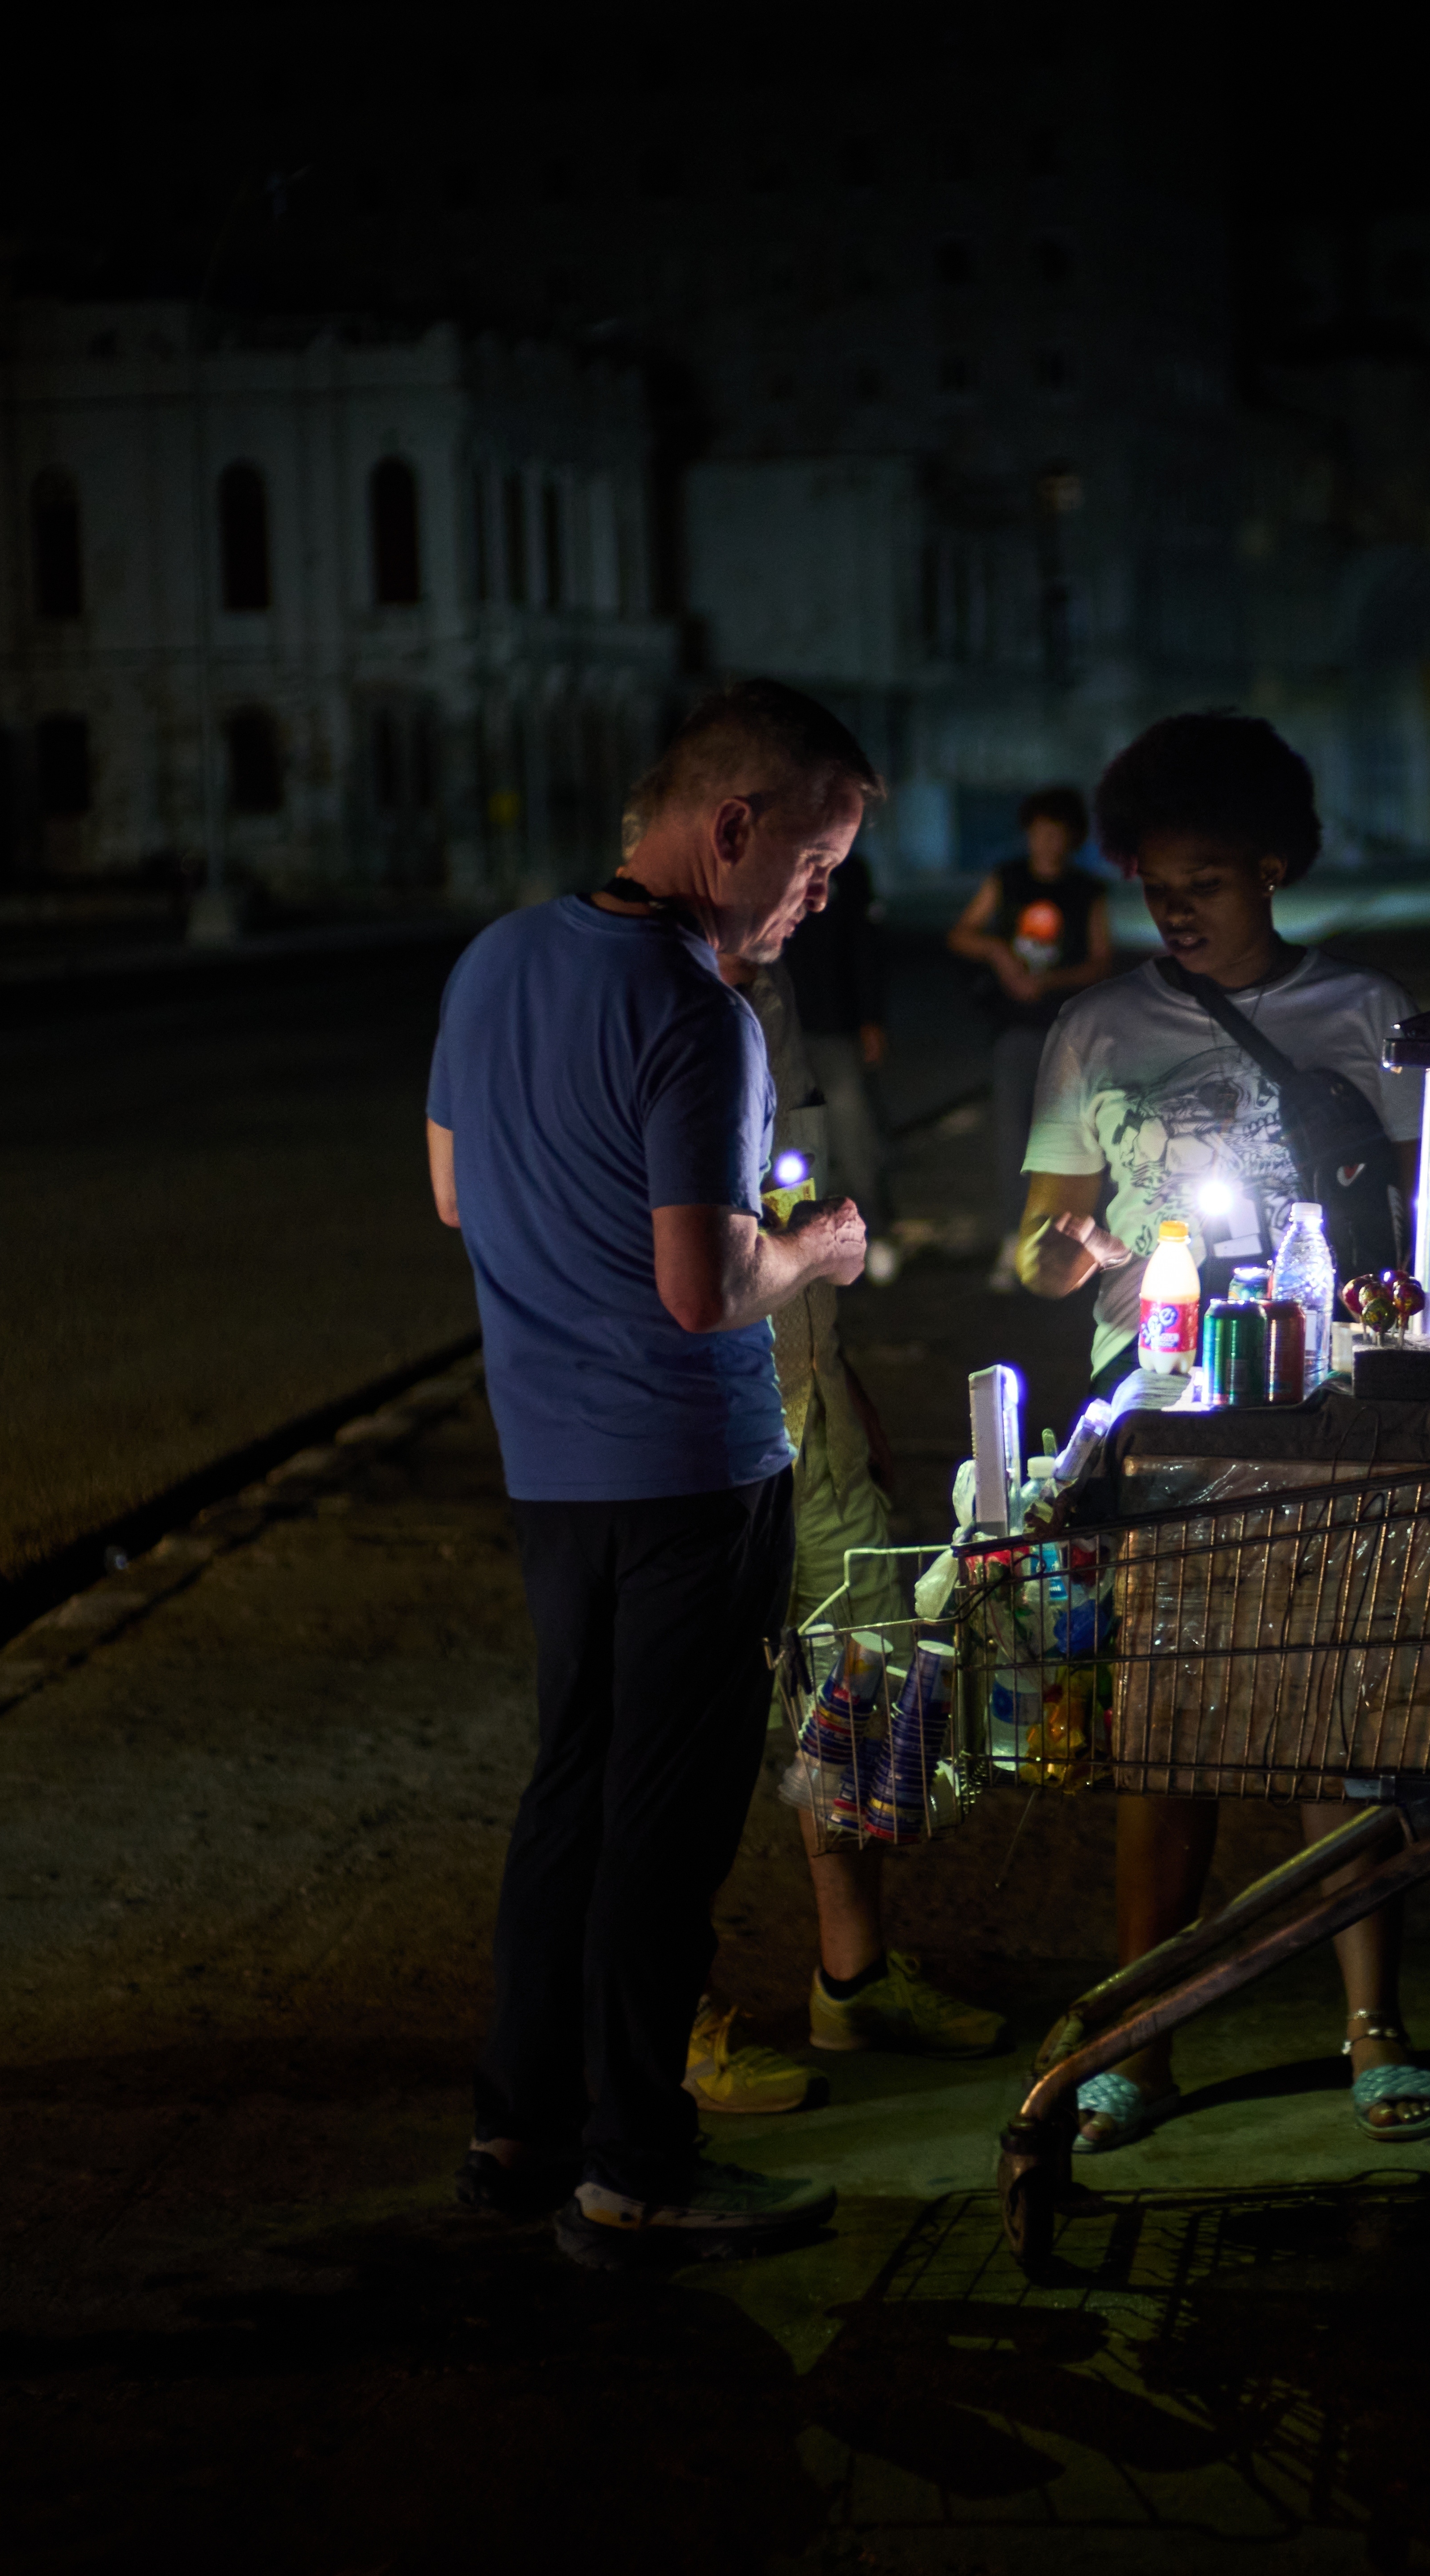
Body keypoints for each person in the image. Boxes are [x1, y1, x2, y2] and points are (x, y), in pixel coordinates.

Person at [425, 679, 869, 2268]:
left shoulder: (493, 961)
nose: (819, 901)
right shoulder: (696, 1013)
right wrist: (811, 1248)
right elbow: (700, 1290)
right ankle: (637, 2168)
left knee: (567, 1792)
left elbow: (456, 1195)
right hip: (689, 1474)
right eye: (814, 864)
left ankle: (515, 2127)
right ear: (731, 828)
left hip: (549, 1468)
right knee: (661, 1829)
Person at [1006, 710, 1430, 2154]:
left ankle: (1375, 2027)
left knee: (1339, 1720)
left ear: (1273, 868)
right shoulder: (1098, 1027)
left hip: (1332, 1415)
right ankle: (1146, 2030)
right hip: (1164, 1419)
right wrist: (1061, 1259)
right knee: (1169, 1729)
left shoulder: (1372, 1017)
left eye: (1201, 877)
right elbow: (1037, 1248)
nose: (1171, 907)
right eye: (1151, 882)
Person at [673, 952, 1006, 2119]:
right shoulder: (636, 995)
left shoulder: (775, 994)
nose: (821, 897)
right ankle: (677, 2023)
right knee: (685, 1739)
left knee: (859, 1688)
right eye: (808, 865)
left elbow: (783, 1197)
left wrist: (839, 1372)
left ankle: (853, 1981)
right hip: (690, 1435)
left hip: (809, 1405)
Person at [948, 784, 1118, 1291]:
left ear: (1072, 839)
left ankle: (1079, 1250)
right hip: (1015, 1032)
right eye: (1040, 833)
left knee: (1077, 1144)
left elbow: (1101, 961)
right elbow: (961, 934)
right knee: (1013, 1143)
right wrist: (1001, 956)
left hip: (1069, 1034)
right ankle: (1012, 1243)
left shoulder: (1087, 891)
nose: (1047, 843)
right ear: (1029, 834)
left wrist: (1048, 982)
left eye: (1057, 834)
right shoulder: (1009, 880)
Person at [774, 842, 898, 1283]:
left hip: (835, 1021)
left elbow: (865, 944)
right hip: (777, 1024)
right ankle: (795, 1245)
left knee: (854, 1132)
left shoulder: (848, 869)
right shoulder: (770, 859)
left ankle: (875, 1234)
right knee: (789, 1140)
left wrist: (870, 1018)